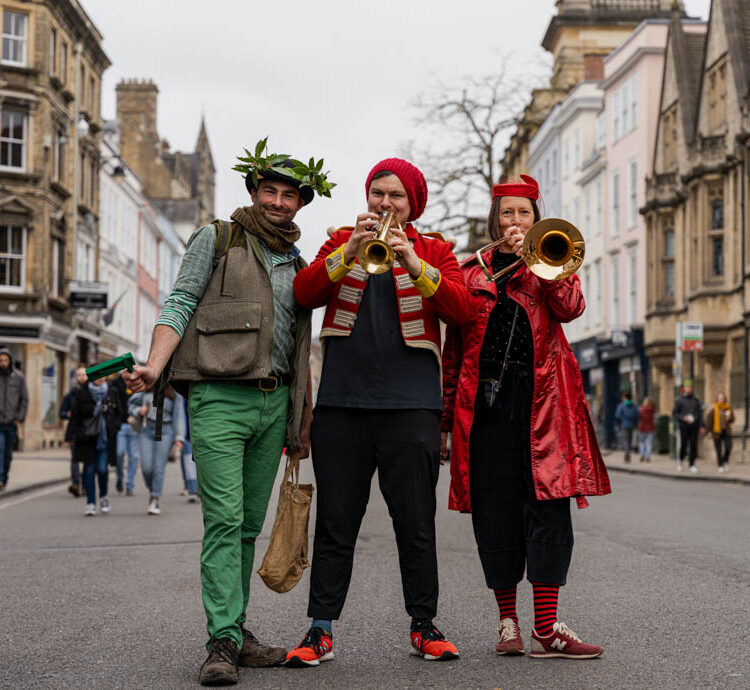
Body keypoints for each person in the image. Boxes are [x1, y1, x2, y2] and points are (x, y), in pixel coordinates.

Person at [124, 144, 324, 686]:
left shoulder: (299, 263)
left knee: (247, 528)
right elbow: (180, 300)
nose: (279, 202)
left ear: (301, 204)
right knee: (224, 520)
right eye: (271, 191)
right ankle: (221, 640)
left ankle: (235, 631)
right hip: (218, 397)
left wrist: (299, 419)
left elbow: (301, 345)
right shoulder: (217, 237)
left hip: (275, 401)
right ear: (254, 191)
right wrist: (153, 365)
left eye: (290, 195)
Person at [285, 158, 473, 668]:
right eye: (377, 193)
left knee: (415, 525)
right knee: (335, 525)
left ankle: (423, 625)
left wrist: (413, 261)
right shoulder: (342, 239)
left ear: (413, 205)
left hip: (411, 408)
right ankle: (320, 628)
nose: (384, 204)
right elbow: (304, 294)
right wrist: (347, 252)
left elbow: (462, 310)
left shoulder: (434, 250)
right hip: (342, 407)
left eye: (396, 196)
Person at [441, 174, 610, 660]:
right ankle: (507, 624)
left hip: (545, 413)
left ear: (537, 218)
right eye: (508, 213)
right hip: (487, 415)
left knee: (549, 513)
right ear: (496, 218)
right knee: (495, 515)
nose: (516, 221)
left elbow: (572, 308)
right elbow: (455, 353)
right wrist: (445, 421)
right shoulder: (471, 274)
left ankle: (547, 627)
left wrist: (538, 265)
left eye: (525, 213)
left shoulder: (554, 262)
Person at [128, 386, 186, 515]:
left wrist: (179, 437)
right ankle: (153, 488)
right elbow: (131, 404)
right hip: (147, 429)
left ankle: (154, 497)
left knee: (159, 467)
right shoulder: (146, 387)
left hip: (165, 430)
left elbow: (179, 415)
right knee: (147, 467)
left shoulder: (173, 390)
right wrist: (138, 410)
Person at [69, 371, 120, 516]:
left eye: (102, 375)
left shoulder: (112, 391)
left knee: (102, 470)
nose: (100, 378)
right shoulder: (82, 393)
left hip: (104, 439)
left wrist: (114, 427)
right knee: (89, 471)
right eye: (96, 376)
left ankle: (103, 496)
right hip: (87, 438)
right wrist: (71, 436)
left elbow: (119, 413)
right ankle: (90, 503)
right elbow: (75, 416)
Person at [0, 347, 28, 490]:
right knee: (0, 448)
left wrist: (20, 417)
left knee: (8, 454)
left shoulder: (18, 377)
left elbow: (24, 399)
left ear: (10, 361)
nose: (3, 363)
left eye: (5, 360)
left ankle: (4, 478)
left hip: (12, 422)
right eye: (1, 360)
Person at [60, 366, 88, 496]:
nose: (81, 378)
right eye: (78, 375)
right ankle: (76, 484)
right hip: (74, 429)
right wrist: (68, 414)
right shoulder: (70, 395)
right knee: (75, 459)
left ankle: (86, 485)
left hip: (88, 430)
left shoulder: (91, 393)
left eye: (83, 375)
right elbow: (61, 413)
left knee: (88, 460)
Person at [673, 380, 703, 473]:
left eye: (690, 387)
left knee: (693, 446)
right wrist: (683, 418)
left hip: (694, 426)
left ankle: (692, 464)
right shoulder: (679, 400)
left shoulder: (696, 400)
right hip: (684, 426)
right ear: (684, 389)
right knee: (684, 445)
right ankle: (680, 461)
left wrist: (701, 425)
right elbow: (675, 414)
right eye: (687, 387)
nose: (689, 389)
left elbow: (699, 413)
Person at [705, 392, 734, 473]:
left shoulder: (728, 408)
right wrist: (706, 432)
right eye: (720, 398)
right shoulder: (714, 410)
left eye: (723, 398)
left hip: (726, 432)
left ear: (725, 399)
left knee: (728, 447)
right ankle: (720, 465)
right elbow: (708, 422)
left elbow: (733, 419)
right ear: (717, 399)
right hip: (716, 433)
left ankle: (725, 461)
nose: (721, 399)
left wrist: (730, 417)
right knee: (719, 450)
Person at [614, 391, 639, 463]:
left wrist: (621, 421)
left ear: (625, 397)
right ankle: (628, 454)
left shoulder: (621, 405)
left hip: (624, 425)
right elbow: (637, 416)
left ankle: (627, 455)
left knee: (625, 441)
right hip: (632, 425)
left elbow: (617, 415)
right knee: (630, 440)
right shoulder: (634, 406)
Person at [637, 397, 656, 463]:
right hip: (651, 428)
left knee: (641, 442)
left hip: (642, 428)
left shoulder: (641, 410)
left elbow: (639, 418)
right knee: (649, 444)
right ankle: (648, 456)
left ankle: (642, 454)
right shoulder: (653, 410)